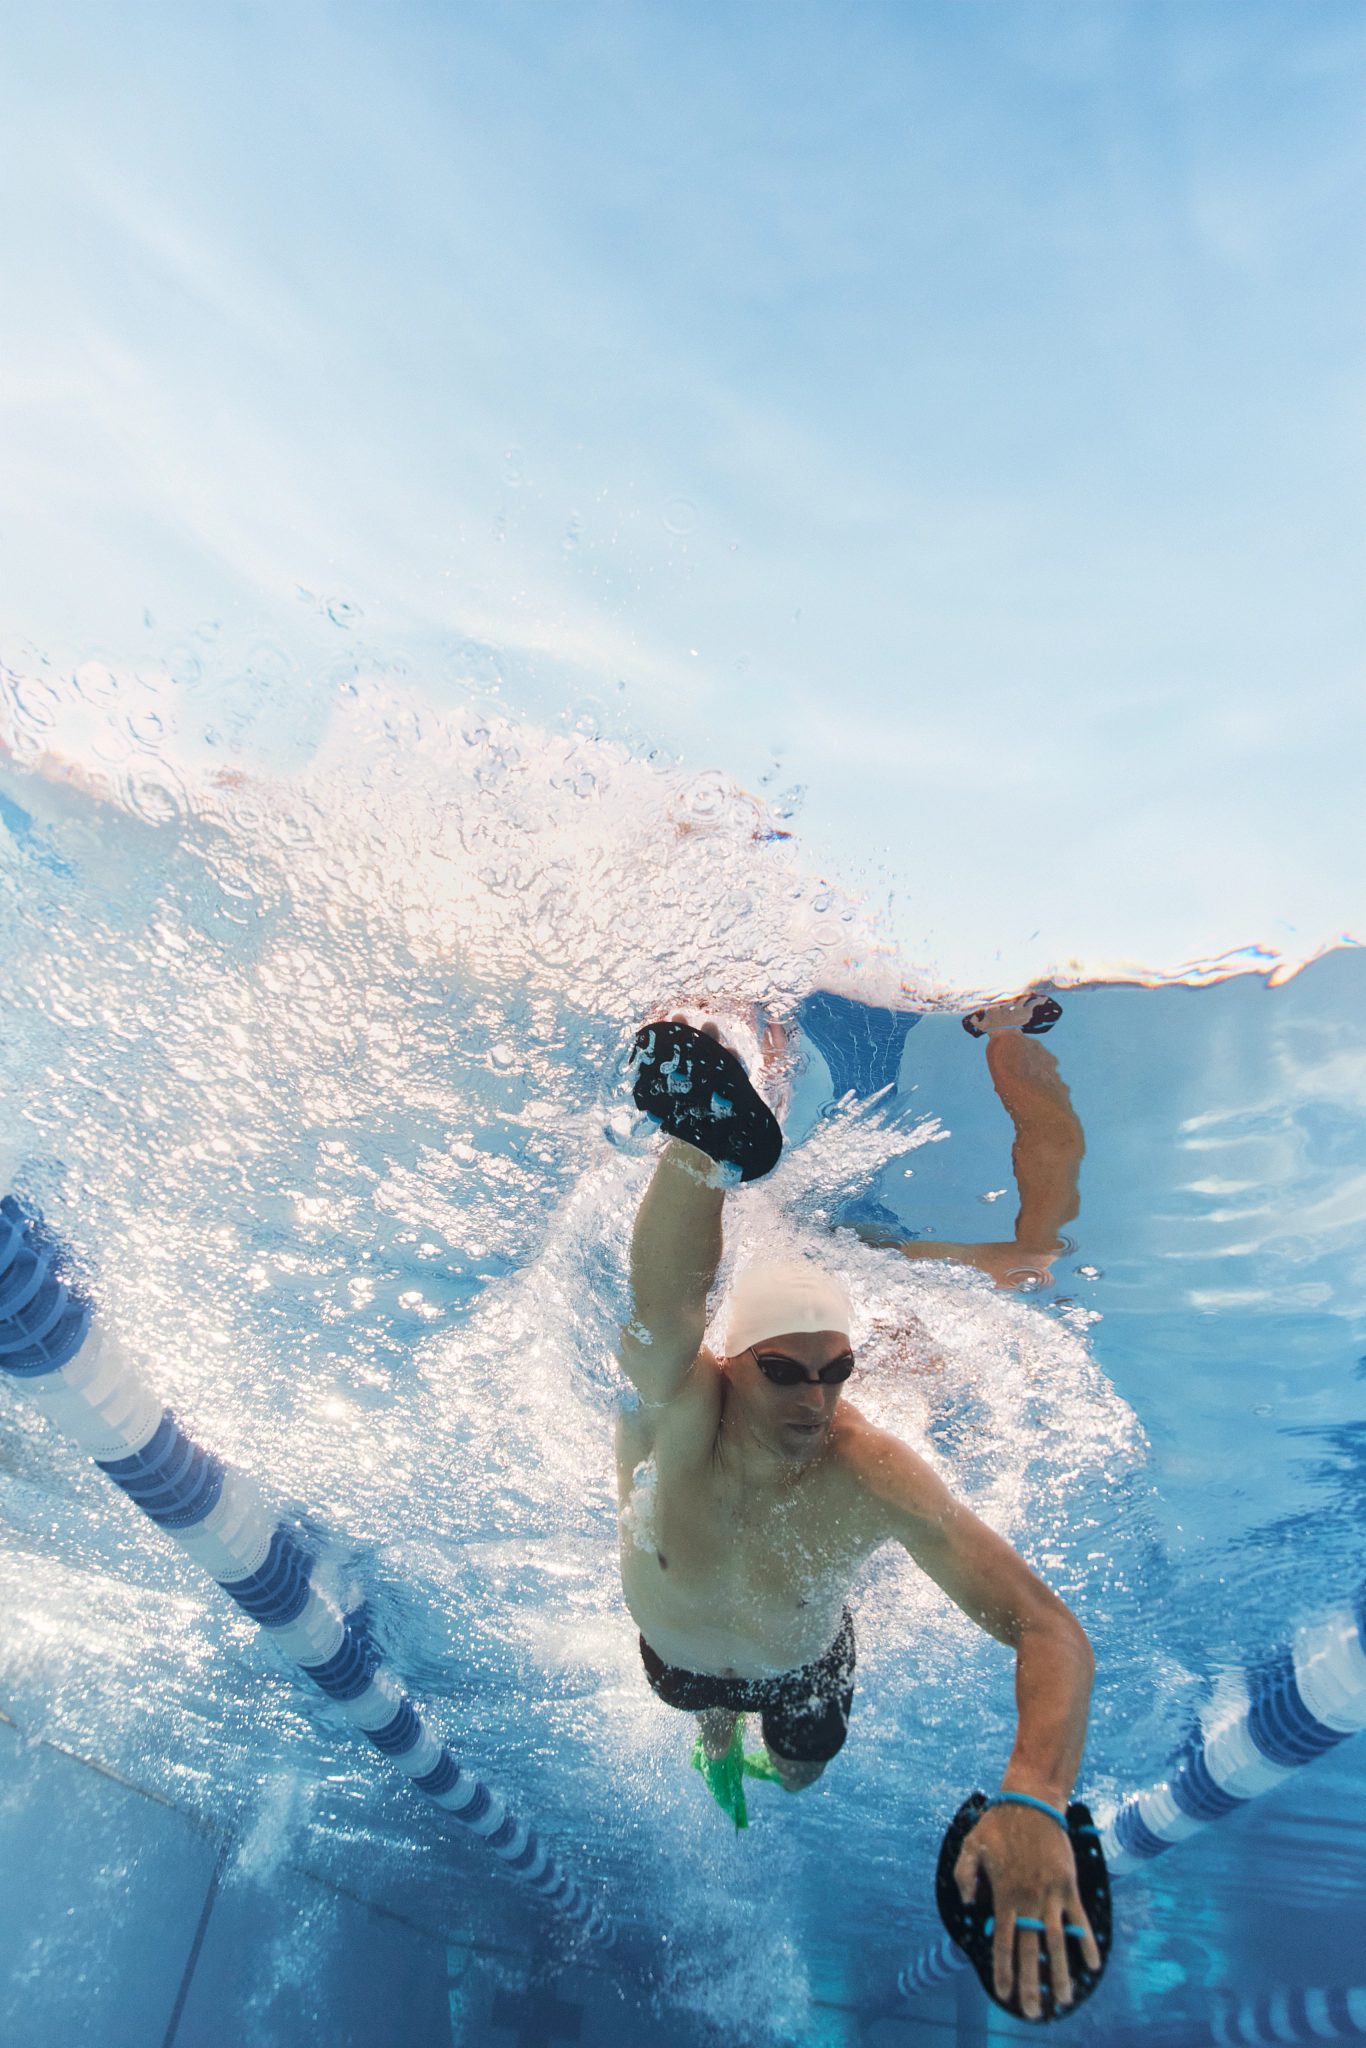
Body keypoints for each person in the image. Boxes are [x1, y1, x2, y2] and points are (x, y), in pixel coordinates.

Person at [615, 1002, 1102, 2021]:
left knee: (795, 1775)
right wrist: (702, 1156)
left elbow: (1048, 1626)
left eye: (835, 1373)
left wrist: (1032, 1790)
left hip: (803, 1663)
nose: (813, 1399)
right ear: (732, 1361)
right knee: (702, 1713)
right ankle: (705, 1135)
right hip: (679, 1657)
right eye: (783, 1370)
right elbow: (662, 1314)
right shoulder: (681, 1406)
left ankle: (747, 1752)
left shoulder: (873, 1467)